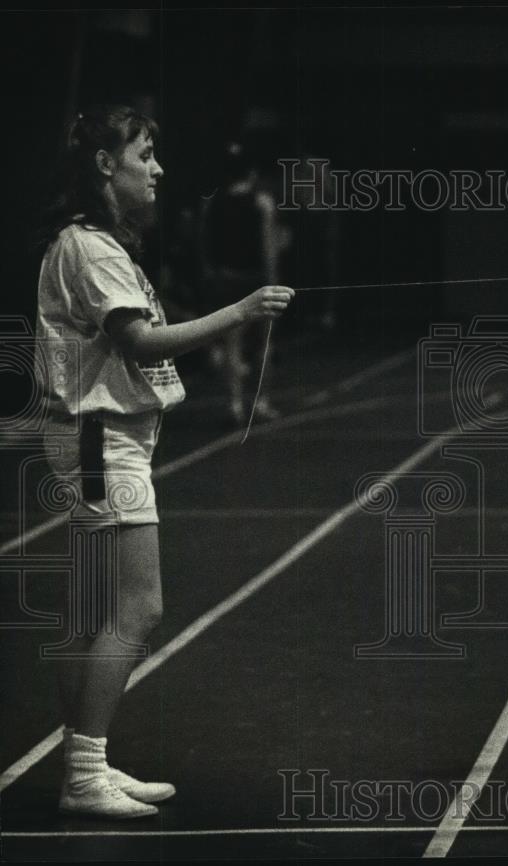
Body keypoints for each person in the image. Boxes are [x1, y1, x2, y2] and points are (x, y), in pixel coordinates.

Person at [34, 105, 294, 818]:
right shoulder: (90, 248)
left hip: (97, 436)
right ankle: (84, 771)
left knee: (89, 619)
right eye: (144, 155)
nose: (157, 169)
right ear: (103, 166)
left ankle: (87, 762)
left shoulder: (93, 244)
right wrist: (241, 313)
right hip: (101, 441)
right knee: (138, 607)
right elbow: (140, 343)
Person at [200, 140, 283, 425]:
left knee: (232, 344)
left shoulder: (213, 204)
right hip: (255, 279)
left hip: (225, 278)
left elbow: (206, 245)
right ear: (252, 173)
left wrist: (210, 273)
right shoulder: (262, 203)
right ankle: (261, 402)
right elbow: (268, 247)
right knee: (264, 343)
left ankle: (234, 405)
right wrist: (273, 282)